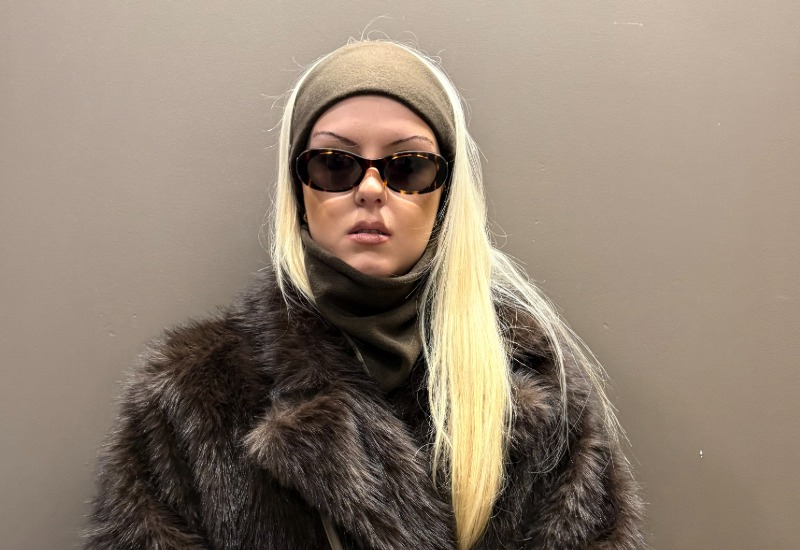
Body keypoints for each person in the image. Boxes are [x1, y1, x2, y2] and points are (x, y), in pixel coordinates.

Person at [85, 40, 645, 549]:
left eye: (408, 167)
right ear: (298, 187)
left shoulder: (538, 383)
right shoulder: (189, 396)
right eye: (335, 165)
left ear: (444, 193)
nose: (372, 189)